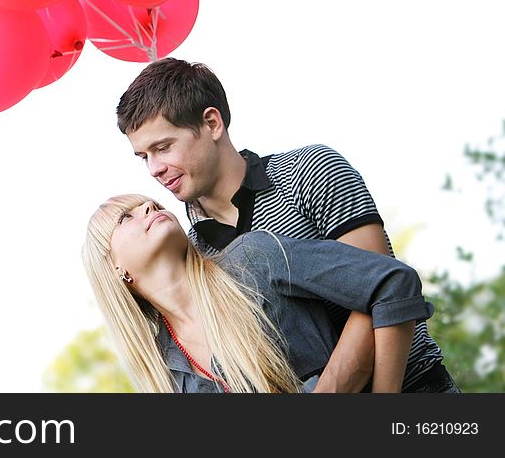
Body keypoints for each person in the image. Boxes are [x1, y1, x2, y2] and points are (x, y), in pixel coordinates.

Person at [115, 58, 459, 393]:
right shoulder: (194, 251)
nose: (154, 169)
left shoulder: (309, 172)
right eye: (144, 156)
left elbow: (379, 290)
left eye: (163, 148)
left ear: (212, 123)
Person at [84, 194, 436, 393]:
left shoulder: (253, 259)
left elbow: (391, 281)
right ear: (115, 268)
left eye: (152, 204)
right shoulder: (163, 369)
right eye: (124, 218)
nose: (149, 208)